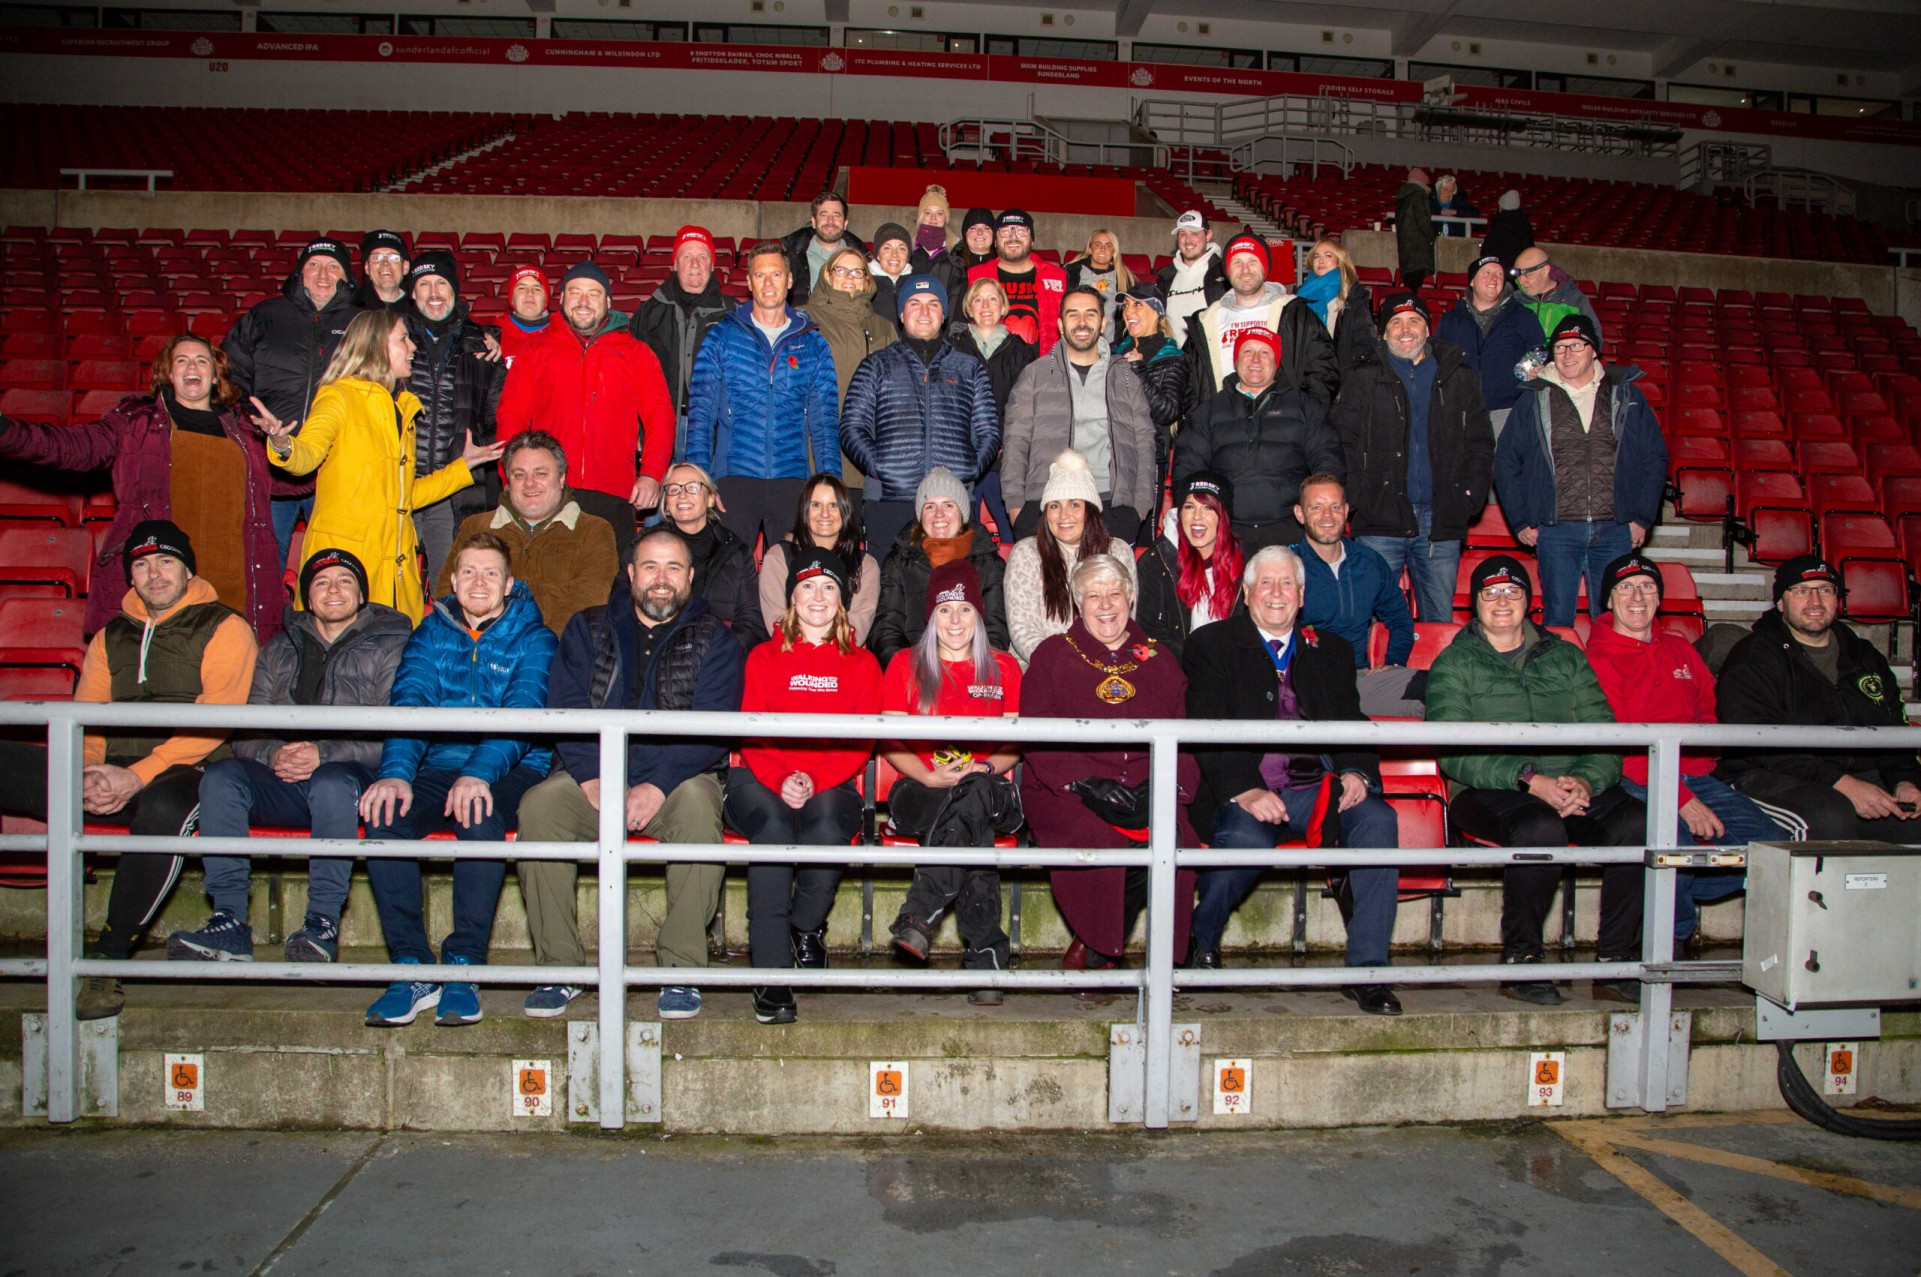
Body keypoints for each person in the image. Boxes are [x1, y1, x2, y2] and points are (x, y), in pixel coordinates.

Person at [0, 521, 257, 1018]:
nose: (154, 574)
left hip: (191, 765)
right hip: (112, 768)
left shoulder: (225, 626)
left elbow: (215, 722)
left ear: (186, 569)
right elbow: (86, 716)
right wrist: (87, 772)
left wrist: (136, 775)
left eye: (165, 562)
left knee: (162, 806)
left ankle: (109, 959)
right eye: (141, 564)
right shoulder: (109, 635)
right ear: (130, 576)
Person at [516, 527, 747, 1021]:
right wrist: (592, 775)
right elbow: (565, 706)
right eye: (649, 567)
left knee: (699, 810)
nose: (660, 580)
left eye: (672, 569)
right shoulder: (589, 626)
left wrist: (656, 785)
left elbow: (712, 729)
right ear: (630, 574)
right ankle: (559, 969)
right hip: (594, 772)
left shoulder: (717, 639)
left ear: (689, 576)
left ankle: (680, 970)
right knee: (539, 807)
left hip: (678, 775)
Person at [1183, 545, 1403, 1011]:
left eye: (1287, 584)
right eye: (1266, 582)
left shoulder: (1333, 650)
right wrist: (1245, 789)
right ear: (1246, 593)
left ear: (1302, 595)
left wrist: (1356, 770)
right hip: (1241, 789)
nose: (1276, 593)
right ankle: (1200, 943)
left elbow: (1351, 719)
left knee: (1379, 821)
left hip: (1314, 790)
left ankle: (1369, 970)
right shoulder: (1211, 645)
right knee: (1245, 841)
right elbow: (1204, 727)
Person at [1424, 556, 1646, 1006]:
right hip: (1490, 787)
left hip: (1569, 782)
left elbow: (1605, 733)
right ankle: (1522, 959)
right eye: (1491, 593)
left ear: (1528, 601)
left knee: (1638, 824)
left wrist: (1584, 780)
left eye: (1512, 592)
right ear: (1475, 604)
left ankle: (1615, 960)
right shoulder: (1455, 662)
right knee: (1540, 828)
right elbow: (1453, 751)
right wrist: (1529, 779)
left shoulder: (1565, 655)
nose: (1502, 601)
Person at [174, 548, 410, 964]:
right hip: (286, 780)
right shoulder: (278, 649)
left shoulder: (393, 645)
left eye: (345, 581)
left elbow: (400, 735)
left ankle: (321, 924)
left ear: (361, 595)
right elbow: (246, 729)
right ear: (306, 596)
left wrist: (324, 753)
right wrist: (273, 753)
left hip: (355, 778)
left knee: (332, 780)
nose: (333, 590)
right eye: (321, 582)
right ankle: (228, 920)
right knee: (222, 776)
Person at [359, 533, 556, 1028]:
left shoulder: (536, 638)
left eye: (491, 573)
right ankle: (412, 966)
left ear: (509, 583)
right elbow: (410, 703)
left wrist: (477, 775)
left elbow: (523, 717)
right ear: (452, 580)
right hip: (439, 764)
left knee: (479, 811)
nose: (479, 582)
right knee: (384, 817)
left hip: (514, 766)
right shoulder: (431, 632)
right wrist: (396, 775)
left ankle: (465, 963)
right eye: (468, 571)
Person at [0, 333, 282, 642]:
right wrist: (7, 431)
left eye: (202, 361)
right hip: (159, 585)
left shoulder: (246, 429)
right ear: (169, 373)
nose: (193, 366)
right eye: (182, 360)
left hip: (234, 585)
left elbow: (295, 483)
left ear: (215, 377)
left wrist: (283, 448)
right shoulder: (135, 422)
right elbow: (72, 447)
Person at [254, 308, 500, 625]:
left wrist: (462, 467)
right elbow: (307, 455)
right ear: (374, 346)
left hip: (395, 574)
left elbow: (403, 497)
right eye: (403, 339)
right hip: (345, 571)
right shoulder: (338, 396)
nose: (412, 348)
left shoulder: (402, 408)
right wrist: (282, 444)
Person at [1583, 553, 1783, 941]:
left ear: (1659, 598)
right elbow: (1622, 748)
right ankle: (1669, 939)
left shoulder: (1680, 649)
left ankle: (1678, 898)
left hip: (1697, 775)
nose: (1637, 596)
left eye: (1647, 587)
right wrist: (1681, 798)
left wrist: (1700, 763)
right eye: (1625, 587)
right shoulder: (1597, 660)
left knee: (1771, 849)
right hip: (1637, 778)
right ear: (1609, 600)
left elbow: (1708, 705)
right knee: (1677, 851)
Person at [727, 547, 883, 1025]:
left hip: (830, 776)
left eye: (829, 587)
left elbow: (860, 743)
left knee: (829, 822)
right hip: (760, 773)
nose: (818, 596)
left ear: (841, 601)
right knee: (773, 827)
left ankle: (803, 926)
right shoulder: (763, 656)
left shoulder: (862, 663)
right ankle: (772, 979)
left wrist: (814, 778)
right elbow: (752, 731)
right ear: (792, 597)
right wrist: (781, 778)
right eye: (808, 587)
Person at [1021, 554, 1200, 971]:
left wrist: (1164, 785)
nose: (1105, 605)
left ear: (1131, 597)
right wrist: (1083, 783)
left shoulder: (1160, 657)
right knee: (1102, 835)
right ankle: (1100, 941)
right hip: (1069, 787)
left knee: (1174, 838)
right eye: (1094, 595)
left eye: (1114, 593)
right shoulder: (1051, 655)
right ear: (1077, 602)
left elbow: (1185, 732)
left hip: (1149, 782)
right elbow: (1037, 731)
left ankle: (1109, 947)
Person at [882, 558, 1024, 1003]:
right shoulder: (905, 664)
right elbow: (889, 742)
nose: (955, 620)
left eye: (965, 609)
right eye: (945, 610)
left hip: (992, 788)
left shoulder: (1004, 668)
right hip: (918, 789)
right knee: (969, 821)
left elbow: (1016, 745)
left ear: (980, 615)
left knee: (974, 794)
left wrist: (983, 769)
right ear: (931, 616)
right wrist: (928, 774)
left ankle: (919, 914)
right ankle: (985, 957)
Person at [1714, 555, 1921, 842]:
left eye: (1825, 590)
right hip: (1769, 773)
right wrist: (1844, 785)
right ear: (1781, 603)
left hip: (1856, 774)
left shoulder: (1864, 656)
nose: (1815, 601)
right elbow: (1759, 743)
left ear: (1836, 600)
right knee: (1829, 815)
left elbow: (1893, 732)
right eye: (1801, 591)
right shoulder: (1753, 657)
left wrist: (1906, 782)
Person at [494, 260, 674, 562]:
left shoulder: (636, 353)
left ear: (607, 301)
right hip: (548, 493)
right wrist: (511, 478)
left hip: (614, 493)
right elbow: (511, 418)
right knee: (546, 585)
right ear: (561, 299)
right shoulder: (535, 351)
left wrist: (652, 474)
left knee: (609, 588)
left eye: (593, 293)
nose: (583, 301)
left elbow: (661, 418)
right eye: (575, 292)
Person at [1495, 313, 1667, 627]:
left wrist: (1643, 517)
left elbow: (1654, 458)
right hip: (1557, 530)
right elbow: (1506, 461)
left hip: (1616, 529)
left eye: (1576, 345)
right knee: (1557, 619)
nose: (1568, 354)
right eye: (1560, 348)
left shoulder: (1626, 395)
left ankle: (1611, 678)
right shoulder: (1534, 398)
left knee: (1617, 621)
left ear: (1593, 351)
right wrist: (1520, 519)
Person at [1333, 291, 1494, 622]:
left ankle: (1435, 677)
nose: (1405, 330)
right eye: (1396, 322)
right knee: (1373, 622)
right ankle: (1378, 678)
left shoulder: (1459, 376)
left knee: (1439, 622)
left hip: (1441, 521)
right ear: (1384, 331)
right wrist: (1355, 496)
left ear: (1427, 328)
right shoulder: (1361, 378)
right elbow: (1341, 441)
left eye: (1414, 321)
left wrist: (1470, 496)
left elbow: (1480, 442)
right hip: (1379, 518)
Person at [684, 240, 841, 552]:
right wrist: (699, 482)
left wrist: (829, 485)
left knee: (793, 580)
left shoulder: (812, 343)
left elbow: (825, 424)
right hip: (733, 478)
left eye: (776, 274)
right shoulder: (721, 336)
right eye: (760, 275)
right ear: (749, 281)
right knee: (726, 578)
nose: (768, 283)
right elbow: (700, 415)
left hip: (792, 479)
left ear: (790, 279)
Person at [839, 274, 1000, 556]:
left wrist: (971, 469)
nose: (924, 312)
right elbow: (851, 427)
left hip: (952, 502)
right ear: (902, 313)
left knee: (950, 591)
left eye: (933, 304)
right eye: (914, 303)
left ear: (944, 314)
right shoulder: (876, 365)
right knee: (891, 592)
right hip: (891, 500)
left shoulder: (969, 368)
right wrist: (879, 466)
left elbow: (989, 430)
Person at [222, 236, 361, 561]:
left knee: (334, 566)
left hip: (332, 469)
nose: (323, 275)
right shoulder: (265, 316)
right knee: (263, 561)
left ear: (347, 277)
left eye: (333, 266)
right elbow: (231, 373)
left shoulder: (360, 321)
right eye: (313, 265)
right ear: (300, 273)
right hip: (271, 467)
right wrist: (251, 426)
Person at [1001, 286, 1157, 544]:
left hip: (1112, 503)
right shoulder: (1035, 374)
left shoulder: (1125, 376)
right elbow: (1015, 442)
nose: (1082, 322)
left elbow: (1144, 442)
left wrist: (1138, 508)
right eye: (1073, 315)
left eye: (1090, 314)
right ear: (1061, 324)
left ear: (1104, 322)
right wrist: (1016, 506)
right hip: (1047, 501)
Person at [1173, 328, 1344, 552]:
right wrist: (1201, 518)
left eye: (1265, 352)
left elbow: (1329, 463)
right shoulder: (1210, 410)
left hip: (1290, 527)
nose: (1255, 359)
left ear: (1276, 362)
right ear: (1235, 360)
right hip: (1228, 530)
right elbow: (1187, 469)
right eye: (1247, 351)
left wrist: (1313, 511)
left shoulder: (1304, 407)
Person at [437, 430, 620, 637]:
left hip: (555, 655)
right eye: (519, 475)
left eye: (540, 474)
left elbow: (585, 600)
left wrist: (536, 648)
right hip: (477, 650)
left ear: (561, 478)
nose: (529, 483)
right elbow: (447, 593)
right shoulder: (476, 526)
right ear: (508, 481)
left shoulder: (594, 531)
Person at [400, 250, 505, 585]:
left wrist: (476, 459)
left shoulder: (482, 343)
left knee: (450, 582)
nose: (434, 293)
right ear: (412, 293)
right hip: (400, 484)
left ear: (455, 291)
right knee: (393, 584)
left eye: (441, 283)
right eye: (424, 284)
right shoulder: (392, 341)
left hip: (455, 488)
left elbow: (495, 413)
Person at [1291, 475, 1421, 719]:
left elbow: (1401, 621)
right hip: (1306, 683)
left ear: (1347, 510)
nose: (1327, 516)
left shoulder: (1370, 562)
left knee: (1436, 690)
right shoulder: (1287, 566)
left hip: (1360, 679)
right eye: (1316, 507)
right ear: (1300, 514)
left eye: (1335, 507)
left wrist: (1393, 662)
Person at [1004, 451, 1138, 666]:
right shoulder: (1026, 552)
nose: (1063, 515)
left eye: (1074, 504)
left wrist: (1091, 668)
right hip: (1039, 666)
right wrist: (1065, 666)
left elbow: (1125, 622)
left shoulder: (1118, 552)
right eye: (1054, 505)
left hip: (1102, 667)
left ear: (1091, 510)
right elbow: (1023, 630)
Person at [1182, 233, 1337, 415]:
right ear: (1227, 271)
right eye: (1237, 262)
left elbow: (1323, 373)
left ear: (1265, 267)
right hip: (1222, 429)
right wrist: (1200, 421)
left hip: (1281, 430)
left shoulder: (1296, 315)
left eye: (1252, 261)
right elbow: (1189, 383)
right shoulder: (1205, 322)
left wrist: (1301, 418)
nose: (1245, 269)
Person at [871, 467, 1010, 667]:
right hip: (914, 671)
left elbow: (995, 631)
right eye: (929, 507)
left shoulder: (989, 563)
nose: (939, 515)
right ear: (920, 515)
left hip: (972, 671)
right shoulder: (899, 560)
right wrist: (911, 669)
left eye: (948, 505)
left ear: (962, 512)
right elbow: (886, 628)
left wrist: (967, 670)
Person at [629, 224, 733, 463]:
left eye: (702, 256)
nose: (695, 264)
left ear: (712, 264)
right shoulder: (648, 312)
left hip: (715, 436)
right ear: (675, 264)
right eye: (687, 256)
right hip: (659, 432)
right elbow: (630, 375)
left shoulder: (733, 313)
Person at [945, 277, 1034, 540]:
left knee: (1012, 532)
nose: (986, 305)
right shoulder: (951, 349)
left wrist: (1001, 441)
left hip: (1004, 456)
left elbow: (1025, 404)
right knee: (963, 533)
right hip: (962, 453)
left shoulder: (1022, 352)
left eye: (993, 298)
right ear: (969, 308)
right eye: (978, 299)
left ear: (1003, 307)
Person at [808, 245, 898, 494]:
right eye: (842, 270)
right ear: (827, 275)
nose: (849, 277)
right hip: (817, 443)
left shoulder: (883, 326)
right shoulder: (805, 319)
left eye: (858, 272)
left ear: (867, 280)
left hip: (866, 446)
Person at [759, 473, 881, 646]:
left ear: (845, 510)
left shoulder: (865, 564)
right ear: (804, 509)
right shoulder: (778, 556)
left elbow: (858, 627)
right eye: (816, 505)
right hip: (790, 654)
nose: (825, 514)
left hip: (842, 656)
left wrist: (825, 652)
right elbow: (776, 620)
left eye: (833, 505)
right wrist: (807, 650)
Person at [1135, 470, 1243, 662]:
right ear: (1180, 512)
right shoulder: (1155, 562)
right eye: (1189, 507)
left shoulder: (1247, 563)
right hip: (1177, 670)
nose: (1197, 517)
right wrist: (1196, 661)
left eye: (1208, 508)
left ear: (1223, 516)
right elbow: (1150, 633)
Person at [1434, 254, 1542, 437]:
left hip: (1507, 413)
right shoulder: (1451, 320)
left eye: (1500, 274)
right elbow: (1436, 361)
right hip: (1460, 414)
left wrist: (1530, 372)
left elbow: (1539, 352)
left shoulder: (1524, 317)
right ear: (1472, 282)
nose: (1494, 278)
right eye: (1487, 272)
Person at [657, 461, 764, 641]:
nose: (682, 495)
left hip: (717, 656)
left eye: (692, 487)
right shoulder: (645, 547)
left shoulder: (735, 550)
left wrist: (722, 653)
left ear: (710, 499)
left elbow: (751, 621)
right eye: (674, 489)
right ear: (667, 503)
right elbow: (623, 607)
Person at [1114, 282, 1188, 490]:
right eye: (1126, 305)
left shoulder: (1173, 357)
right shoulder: (1112, 352)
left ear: (1157, 313)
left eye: (1138, 305)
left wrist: (1138, 369)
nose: (1128, 311)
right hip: (1109, 455)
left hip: (1146, 458)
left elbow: (1168, 412)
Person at [967, 209, 1068, 355]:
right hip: (992, 367)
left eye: (1021, 231)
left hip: (1045, 369)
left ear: (1032, 238)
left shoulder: (1057, 276)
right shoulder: (975, 276)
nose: (1013, 237)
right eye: (1005, 231)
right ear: (995, 240)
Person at [1298, 238, 1378, 380]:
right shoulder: (1299, 295)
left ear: (1340, 261)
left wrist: (1339, 362)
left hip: (1340, 376)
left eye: (1328, 256)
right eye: (1316, 256)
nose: (1321, 261)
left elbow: (1366, 342)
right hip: (1305, 373)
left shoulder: (1353, 296)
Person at [782, 191, 866, 307]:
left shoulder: (862, 259)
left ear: (845, 223)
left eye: (836, 215)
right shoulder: (792, 258)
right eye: (824, 214)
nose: (830, 221)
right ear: (814, 222)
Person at [1155, 209, 1226, 345]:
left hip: (1211, 359)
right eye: (1183, 234)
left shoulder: (1224, 273)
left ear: (1208, 235)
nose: (1188, 240)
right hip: (1175, 360)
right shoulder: (1165, 277)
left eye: (1194, 233)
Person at [1511, 246, 1601, 347]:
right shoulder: (1513, 301)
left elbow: (1594, 339)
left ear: (1544, 271)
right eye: (1518, 276)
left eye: (1528, 276)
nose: (1521, 282)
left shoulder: (1574, 300)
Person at [1064, 228, 1133, 331]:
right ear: (1090, 248)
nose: (1103, 249)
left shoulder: (1123, 276)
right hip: (1077, 336)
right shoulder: (1071, 272)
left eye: (1108, 245)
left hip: (1111, 342)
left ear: (1114, 251)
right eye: (1098, 245)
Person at [936, 206, 997, 302]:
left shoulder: (1004, 267)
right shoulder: (948, 268)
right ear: (965, 234)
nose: (980, 232)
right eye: (973, 228)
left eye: (986, 228)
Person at [1394, 168, 1437, 295]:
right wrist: (1431, 237)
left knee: (1410, 283)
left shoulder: (1403, 196)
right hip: (1418, 248)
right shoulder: (1419, 195)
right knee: (1415, 286)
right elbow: (1422, 219)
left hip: (1406, 248)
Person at [496, 266, 550, 367]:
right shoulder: (493, 335)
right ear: (511, 298)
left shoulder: (565, 336)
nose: (530, 294)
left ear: (546, 299)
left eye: (537, 289)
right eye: (522, 288)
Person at [867, 222, 915, 331]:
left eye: (901, 249)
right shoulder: (865, 284)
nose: (894, 254)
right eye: (887, 248)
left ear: (908, 256)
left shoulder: (915, 285)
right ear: (878, 254)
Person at [1480, 189, 1536, 271]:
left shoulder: (1499, 224)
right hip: (1519, 269)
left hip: (1501, 268)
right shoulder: (1525, 225)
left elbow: (1489, 248)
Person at [358, 229, 410, 311]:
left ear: (405, 267)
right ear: (367, 268)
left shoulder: (420, 313)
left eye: (393, 257)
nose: (385, 263)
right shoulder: (352, 315)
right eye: (376, 257)